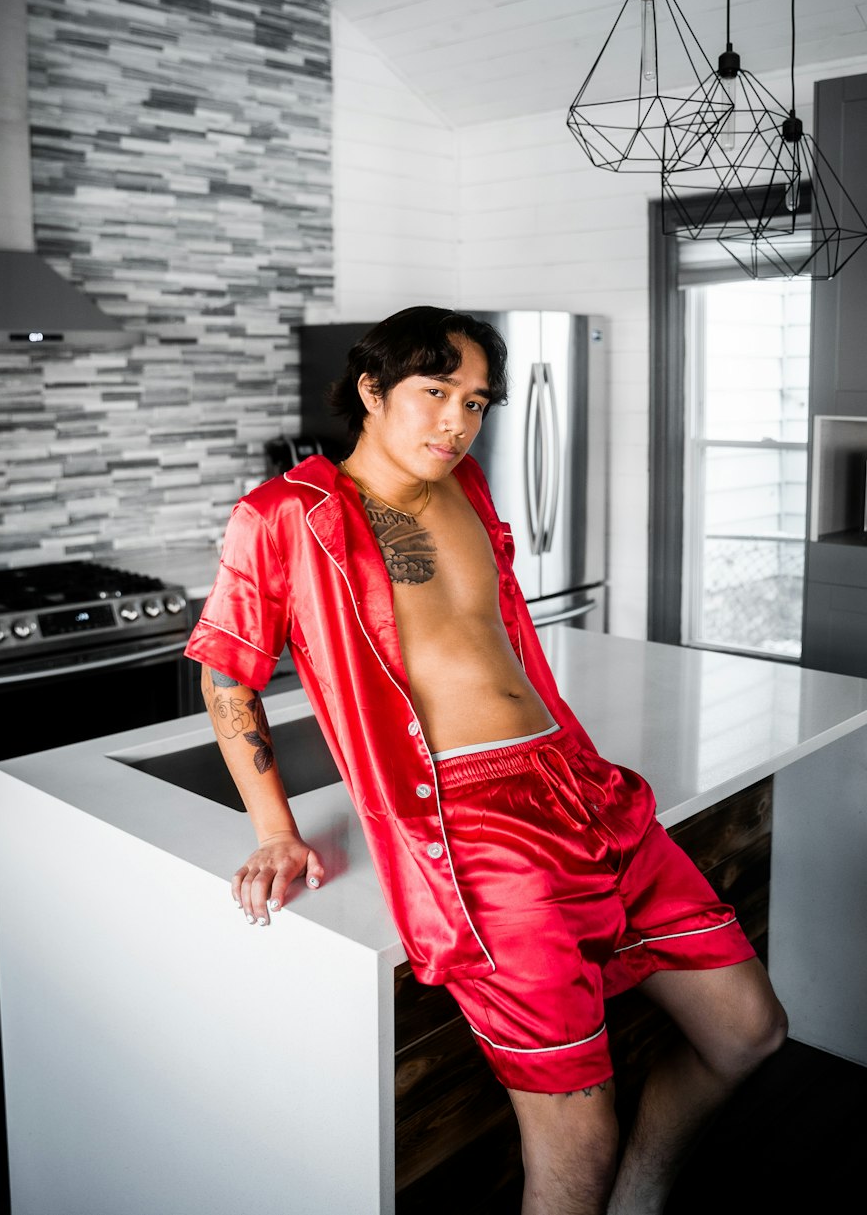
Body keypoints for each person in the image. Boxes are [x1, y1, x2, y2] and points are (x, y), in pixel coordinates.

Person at [184, 305, 787, 1215]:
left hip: (582, 783)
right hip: (473, 827)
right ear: (372, 389)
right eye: (435, 393)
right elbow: (228, 673)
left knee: (750, 1030)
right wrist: (275, 828)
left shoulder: (468, 484)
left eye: (475, 402)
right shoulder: (287, 514)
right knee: (578, 1131)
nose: (456, 421)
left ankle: (642, 1199)